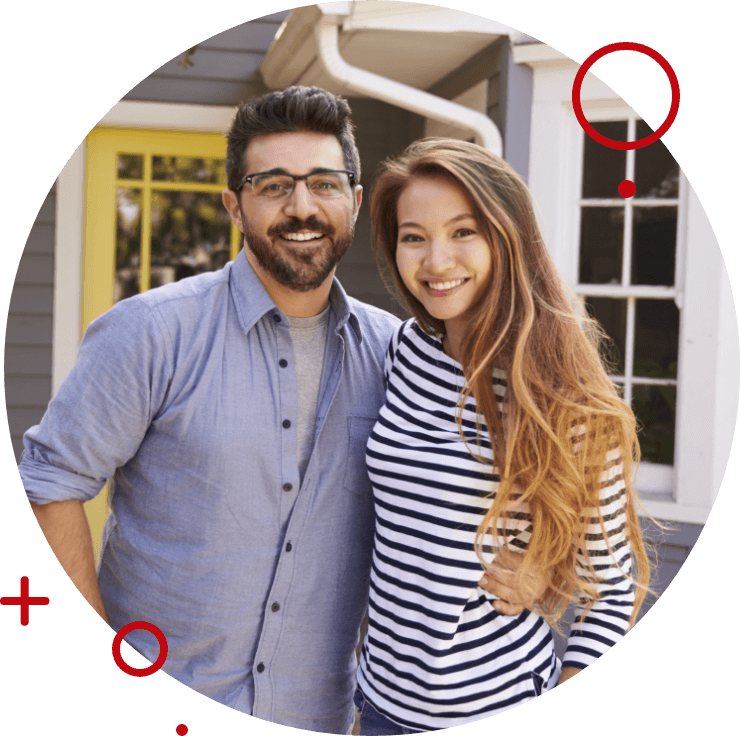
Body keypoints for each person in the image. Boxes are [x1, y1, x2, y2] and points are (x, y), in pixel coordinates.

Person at [18, 88, 540, 734]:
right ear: (235, 205)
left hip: (316, 715)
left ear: (352, 201)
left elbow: (500, 480)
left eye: (323, 183)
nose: (302, 207)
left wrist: (539, 554)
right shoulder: (150, 333)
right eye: (273, 186)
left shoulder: (401, 357)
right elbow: (51, 482)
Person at [353, 138, 653, 733]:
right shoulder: (404, 352)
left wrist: (549, 566)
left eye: (462, 232)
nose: (436, 262)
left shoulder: (563, 393)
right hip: (378, 703)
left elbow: (614, 588)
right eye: (414, 237)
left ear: (506, 237)